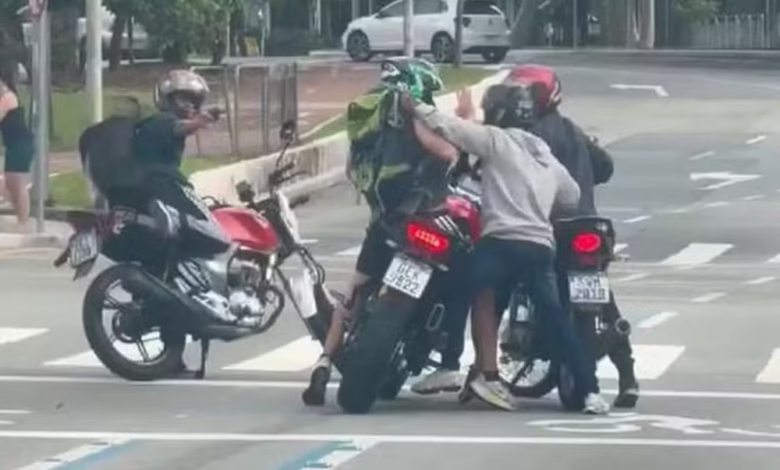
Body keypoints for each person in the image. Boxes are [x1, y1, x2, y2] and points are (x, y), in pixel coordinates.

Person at [403, 81, 611, 415]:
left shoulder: (498, 141)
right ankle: (590, 393)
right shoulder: (545, 156)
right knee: (558, 320)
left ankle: (450, 364)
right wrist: (541, 209)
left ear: (498, 114)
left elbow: (452, 129)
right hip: (540, 249)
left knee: (457, 286)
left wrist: (416, 108)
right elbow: (571, 197)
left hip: (500, 244)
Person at [302, 57, 470, 406]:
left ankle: (322, 364)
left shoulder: (367, 122)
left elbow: (351, 171)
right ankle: (448, 356)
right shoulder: (409, 118)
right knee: (462, 280)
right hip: (422, 218)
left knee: (354, 292)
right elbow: (449, 153)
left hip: (384, 223)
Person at [84, 69, 253, 350]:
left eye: (194, 100)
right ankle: (207, 298)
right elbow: (176, 128)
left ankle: (174, 350)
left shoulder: (145, 130)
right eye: (182, 98)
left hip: (141, 209)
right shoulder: (161, 122)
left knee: (167, 275)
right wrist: (200, 121)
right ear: (166, 99)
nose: (189, 105)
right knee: (219, 237)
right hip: (165, 192)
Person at [504, 64, 638, 409]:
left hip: (550, 228)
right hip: (590, 226)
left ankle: (487, 367)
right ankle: (628, 376)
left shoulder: (526, 136)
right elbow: (605, 167)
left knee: (502, 275)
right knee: (601, 293)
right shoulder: (572, 131)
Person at [0, 76, 34, 232]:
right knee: (10, 183)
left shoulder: (8, 97)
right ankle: (21, 215)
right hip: (14, 145)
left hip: (21, 144)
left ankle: (23, 221)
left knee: (17, 183)